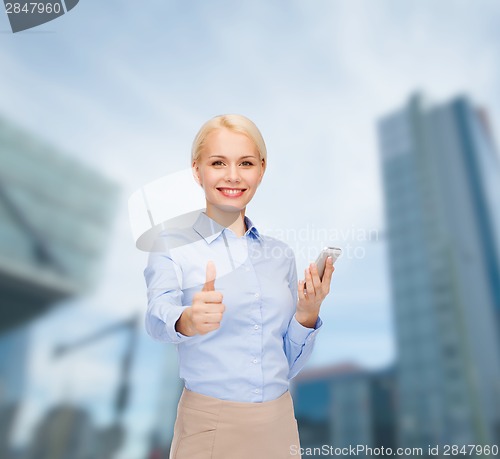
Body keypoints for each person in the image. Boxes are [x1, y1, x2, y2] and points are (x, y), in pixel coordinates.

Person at [143, 114, 335, 459]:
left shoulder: (280, 255)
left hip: (279, 423)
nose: (233, 175)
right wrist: (188, 319)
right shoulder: (172, 243)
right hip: (209, 425)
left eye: (245, 163)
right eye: (218, 162)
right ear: (197, 169)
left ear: (261, 169)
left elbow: (286, 364)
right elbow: (157, 317)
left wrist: (307, 315)